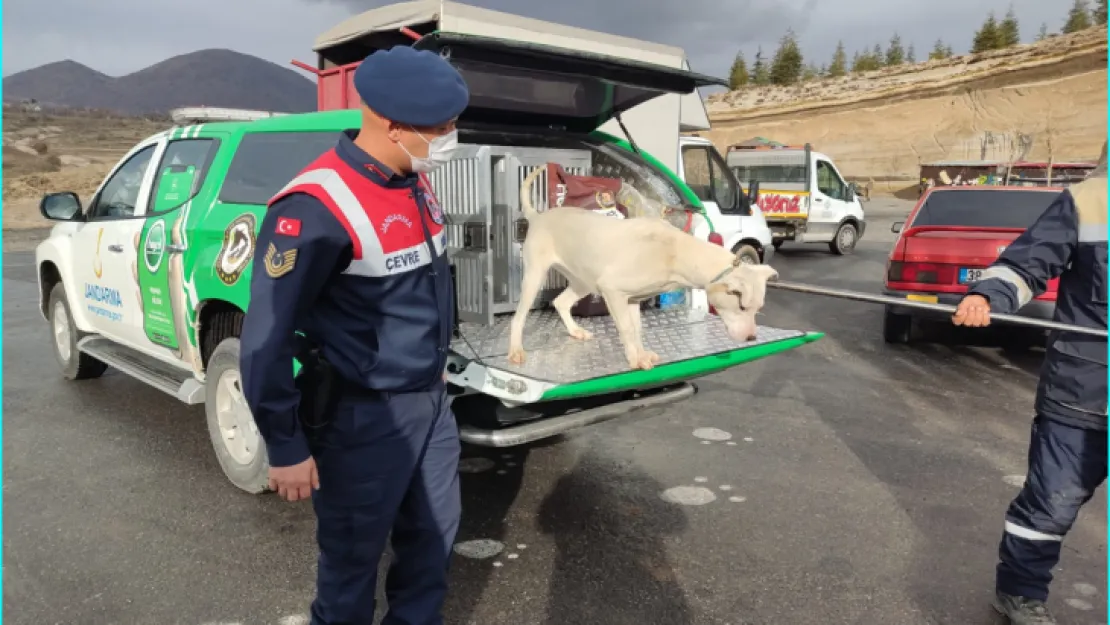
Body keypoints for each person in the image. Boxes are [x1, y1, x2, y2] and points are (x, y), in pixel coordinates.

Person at [239, 46, 469, 625]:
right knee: (350, 570)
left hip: (431, 406)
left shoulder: (412, 181)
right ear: (392, 126)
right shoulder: (315, 207)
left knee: (431, 550)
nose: (451, 137)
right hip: (362, 420)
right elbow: (264, 339)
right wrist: (286, 445)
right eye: (441, 128)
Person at [952, 142, 1108, 625]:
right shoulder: (1091, 201)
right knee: (1051, 506)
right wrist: (988, 295)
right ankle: (1019, 594)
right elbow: (1025, 265)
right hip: (1082, 395)